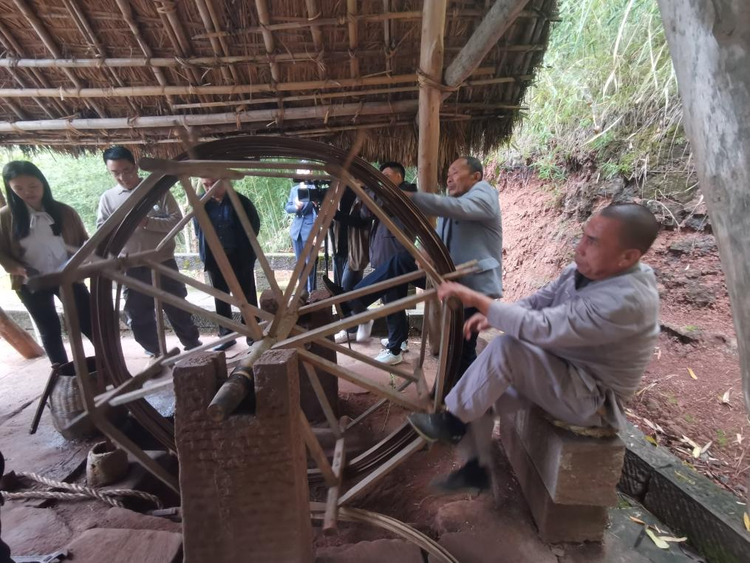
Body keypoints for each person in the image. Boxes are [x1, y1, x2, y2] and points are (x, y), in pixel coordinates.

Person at [408, 203, 661, 493]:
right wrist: (494, 313)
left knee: (507, 350)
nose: (580, 247)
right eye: (583, 235)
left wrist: (480, 302)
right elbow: (539, 302)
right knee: (483, 390)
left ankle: (451, 422)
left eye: (592, 241)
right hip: (562, 373)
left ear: (628, 257)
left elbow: (542, 326)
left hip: (593, 399)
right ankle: (474, 469)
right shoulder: (581, 270)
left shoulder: (626, 301)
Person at [327, 156, 503, 368]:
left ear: (476, 176)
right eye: (448, 174)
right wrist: (425, 251)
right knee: (400, 263)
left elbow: (459, 208)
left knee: (462, 348)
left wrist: (409, 196)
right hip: (450, 276)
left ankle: (465, 396)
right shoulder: (454, 204)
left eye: (455, 172)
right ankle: (351, 302)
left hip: (475, 284)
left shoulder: (485, 193)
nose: (448, 178)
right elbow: (438, 236)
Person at [97, 146, 201, 357]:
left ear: (135, 166)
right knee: (137, 313)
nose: (122, 176)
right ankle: (155, 351)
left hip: (162, 259)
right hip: (131, 265)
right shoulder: (108, 198)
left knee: (177, 306)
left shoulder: (156, 190)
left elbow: (176, 222)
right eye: (115, 172)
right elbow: (102, 230)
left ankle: (193, 345)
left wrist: (147, 222)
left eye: (126, 170)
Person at [0, 161, 93, 366]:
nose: (27, 192)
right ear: (10, 188)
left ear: (43, 183)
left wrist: (82, 260)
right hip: (31, 282)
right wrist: (20, 269)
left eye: (33, 186)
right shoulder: (5, 218)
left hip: (68, 277)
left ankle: (110, 366)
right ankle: (63, 375)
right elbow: (2, 253)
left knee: (90, 323)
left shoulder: (64, 212)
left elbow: (83, 241)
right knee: (49, 329)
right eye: (19, 188)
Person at [194, 178, 261, 351]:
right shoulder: (201, 204)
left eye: (213, 184)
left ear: (225, 181)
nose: (209, 188)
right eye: (205, 185)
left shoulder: (241, 202)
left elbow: (254, 227)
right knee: (220, 296)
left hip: (239, 257)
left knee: (246, 295)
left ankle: (253, 333)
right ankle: (226, 335)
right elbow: (198, 230)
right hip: (215, 259)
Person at [285, 180, 318, 293]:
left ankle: (311, 292)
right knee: (300, 263)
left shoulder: (313, 188)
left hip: (309, 229)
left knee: (310, 263)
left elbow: (317, 212)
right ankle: (302, 292)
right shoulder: (294, 189)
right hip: (297, 230)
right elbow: (288, 207)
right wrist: (296, 207)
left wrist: (316, 233)